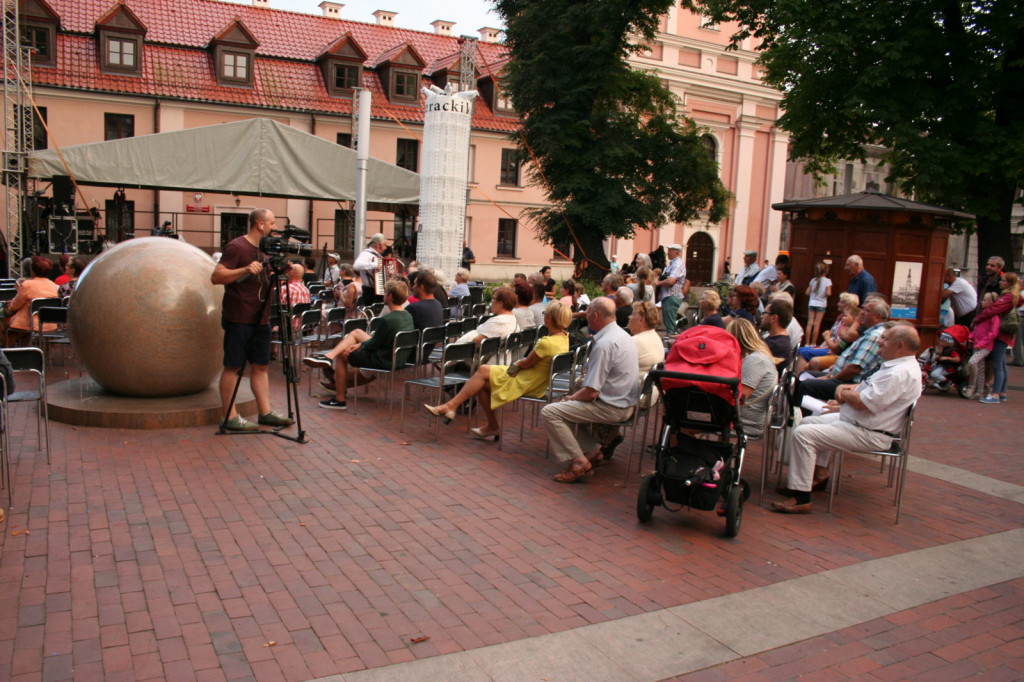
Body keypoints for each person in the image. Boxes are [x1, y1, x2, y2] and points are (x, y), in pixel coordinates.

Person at [772, 324, 922, 514]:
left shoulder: (900, 372)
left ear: (900, 345)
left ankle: (802, 497)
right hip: (860, 423)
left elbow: (863, 402)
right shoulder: (897, 366)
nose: (879, 342)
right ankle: (815, 476)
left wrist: (841, 392)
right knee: (809, 422)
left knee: (804, 434)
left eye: (885, 339)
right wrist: (846, 399)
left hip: (870, 433)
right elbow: (866, 392)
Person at [423, 301, 571, 438]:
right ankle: (482, 422)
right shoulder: (564, 338)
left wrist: (517, 364)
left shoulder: (546, 342)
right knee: (481, 383)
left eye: (545, 314)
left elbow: (526, 364)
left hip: (527, 381)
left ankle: (453, 407)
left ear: (550, 319)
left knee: (482, 371)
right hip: (538, 381)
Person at [210, 208, 294, 432]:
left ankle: (265, 412)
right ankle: (229, 416)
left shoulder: (267, 250)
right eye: (272, 223)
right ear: (260, 225)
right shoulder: (237, 247)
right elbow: (216, 276)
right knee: (233, 367)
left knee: (261, 366)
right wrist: (245, 269)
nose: (274, 227)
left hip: (262, 318)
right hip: (239, 317)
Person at [541, 298, 639, 483]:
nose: (586, 317)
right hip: (624, 401)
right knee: (565, 409)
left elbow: (591, 392)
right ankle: (593, 451)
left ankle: (579, 462)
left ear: (594, 316)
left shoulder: (604, 344)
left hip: (613, 406)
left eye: (587, 314)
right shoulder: (622, 334)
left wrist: (570, 398)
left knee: (551, 412)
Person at [308, 279, 414, 410]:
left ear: (391, 296)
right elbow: (378, 341)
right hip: (397, 356)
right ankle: (329, 356)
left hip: (384, 359)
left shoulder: (388, 319)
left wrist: (359, 347)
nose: (383, 295)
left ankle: (339, 399)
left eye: (385, 292)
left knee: (342, 354)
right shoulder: (407, 315)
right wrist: (359, 345)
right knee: (356, 332)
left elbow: (374, 344)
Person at [591, 300, 666, 463]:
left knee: (588, 393)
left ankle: (598, 444)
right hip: (648, 391)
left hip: (635, 394)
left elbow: (606, 371)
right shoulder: (655, 337)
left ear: (642, 320)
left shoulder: (636, 342)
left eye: (633, 314)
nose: (628, 317)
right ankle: (607, 440)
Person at [794, 298, 890, 407]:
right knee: (803, 375)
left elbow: (854, 368)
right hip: (840, 375)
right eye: (863, 309)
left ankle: (799, 418)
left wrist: (831, 378)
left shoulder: (874, 336)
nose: (862, 313)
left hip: (850, 383)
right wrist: (831, 374)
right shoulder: (869, 332)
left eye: (867, 311)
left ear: (878, 316)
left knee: (807, 385)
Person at [971, 271, 1019, 404]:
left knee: (997, 364)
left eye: (1003, 280)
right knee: (1002, 364)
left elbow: (993, 310)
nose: (1000, 282)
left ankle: (995, 394)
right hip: (1005, 334)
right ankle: (1002, 393)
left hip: (1001, 334)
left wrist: (977, 318)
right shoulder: (1012, 296)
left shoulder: (1007, 297)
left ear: (1008, 283)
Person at [727, 318, 779, 437]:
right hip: (750, 416)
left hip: (747, 422)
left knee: (689, 417)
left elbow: (741, 397)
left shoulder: (755, 360)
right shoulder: (758, 356)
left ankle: (697, 453)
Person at [1, 255, 59, 343]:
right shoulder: (53, 285)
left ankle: (6, 351)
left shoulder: (27, 284)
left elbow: (14, 306)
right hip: (49, 324)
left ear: (33, 270)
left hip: (28, 324)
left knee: (3, 323)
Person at [964, 292, 1000, 399]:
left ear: (991, 302)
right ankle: (979, 392)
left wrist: (981, 343)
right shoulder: (983, 314)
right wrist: (972, 336)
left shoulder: (994, 317)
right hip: (977, 344)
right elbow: (976, 328)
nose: (982, 302)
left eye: (985, 300)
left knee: (972, 362)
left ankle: (972, 386)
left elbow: (992, 333)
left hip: (985, 346)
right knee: (980, 367)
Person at [455, 285, 519, 344]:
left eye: (493, 298)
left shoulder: (499, 321)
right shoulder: (512, 319)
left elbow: (477, 342)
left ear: (500, 303)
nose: (491, 301)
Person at [657, 244, 687, 335]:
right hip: (669, 296)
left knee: (670, 325)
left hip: (672, 295)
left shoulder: (677, 264)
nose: (667, 253)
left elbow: (671, 281)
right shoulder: (673, 263)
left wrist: (658, 283)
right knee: (669, 322)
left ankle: (671, 342)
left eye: (670, 251)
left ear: (677, 252)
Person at [353, 234, 387, 304]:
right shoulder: (366, 254)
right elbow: (356, 266)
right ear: (378, 245)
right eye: (385, 245)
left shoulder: (379, 256)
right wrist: (374, 265)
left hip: (379, 290)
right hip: (370, 291)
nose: (385, 248)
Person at [761, 297, 794, 370]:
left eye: (765, 313)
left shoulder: (775, 345)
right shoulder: (779, 339)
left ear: (774, 318)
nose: (762, 316)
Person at [805, 261, 832, 347]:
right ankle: (813, 343)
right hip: (821, 303)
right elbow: (828, 293)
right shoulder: (828, 281)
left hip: (812, 302)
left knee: (810, 323)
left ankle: (807, 343)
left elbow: (807, 292)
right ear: (826, 271)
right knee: (817, 324)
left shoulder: (813, 280)